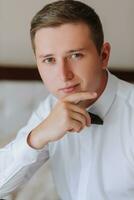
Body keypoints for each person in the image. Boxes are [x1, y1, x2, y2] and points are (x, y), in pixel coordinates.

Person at [0, 0, 134, 199]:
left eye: (75, 55)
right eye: (49, 60)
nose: (63, 75)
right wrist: (37, 137)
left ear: (103, 55)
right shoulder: (50, 109)